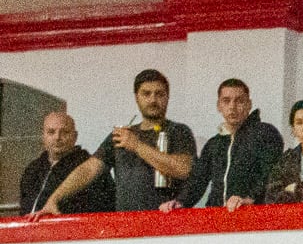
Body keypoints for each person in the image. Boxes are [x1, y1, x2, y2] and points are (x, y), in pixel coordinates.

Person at [33, 69, 196, 215]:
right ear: (136, 97)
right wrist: (54, 199)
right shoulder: (120, 135)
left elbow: (183, 169)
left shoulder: (179, 131)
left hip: (167, 224)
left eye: (159, 94)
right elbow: (89, 169)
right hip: (125, 227)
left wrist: (137, 145)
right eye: (146, 94)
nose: (153, 99)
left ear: (168, 97)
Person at [164, 79, 282, 210]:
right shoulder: (214, 144)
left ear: (249, 104)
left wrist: (250, 198)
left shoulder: (265, 133)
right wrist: (180, 202)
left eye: (239, 101)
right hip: (216, 219)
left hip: (251, 217)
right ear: (219, 106)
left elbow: (272, 174)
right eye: (226, 101)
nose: (232, 106)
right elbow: (198, 179)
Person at [17, 110, 114, 216]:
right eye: (51, 132)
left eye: (65, 132)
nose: (57, 137)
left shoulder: (90, 167)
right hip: (30, 231)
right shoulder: (32, 169)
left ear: (75, 136)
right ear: (43, 136)